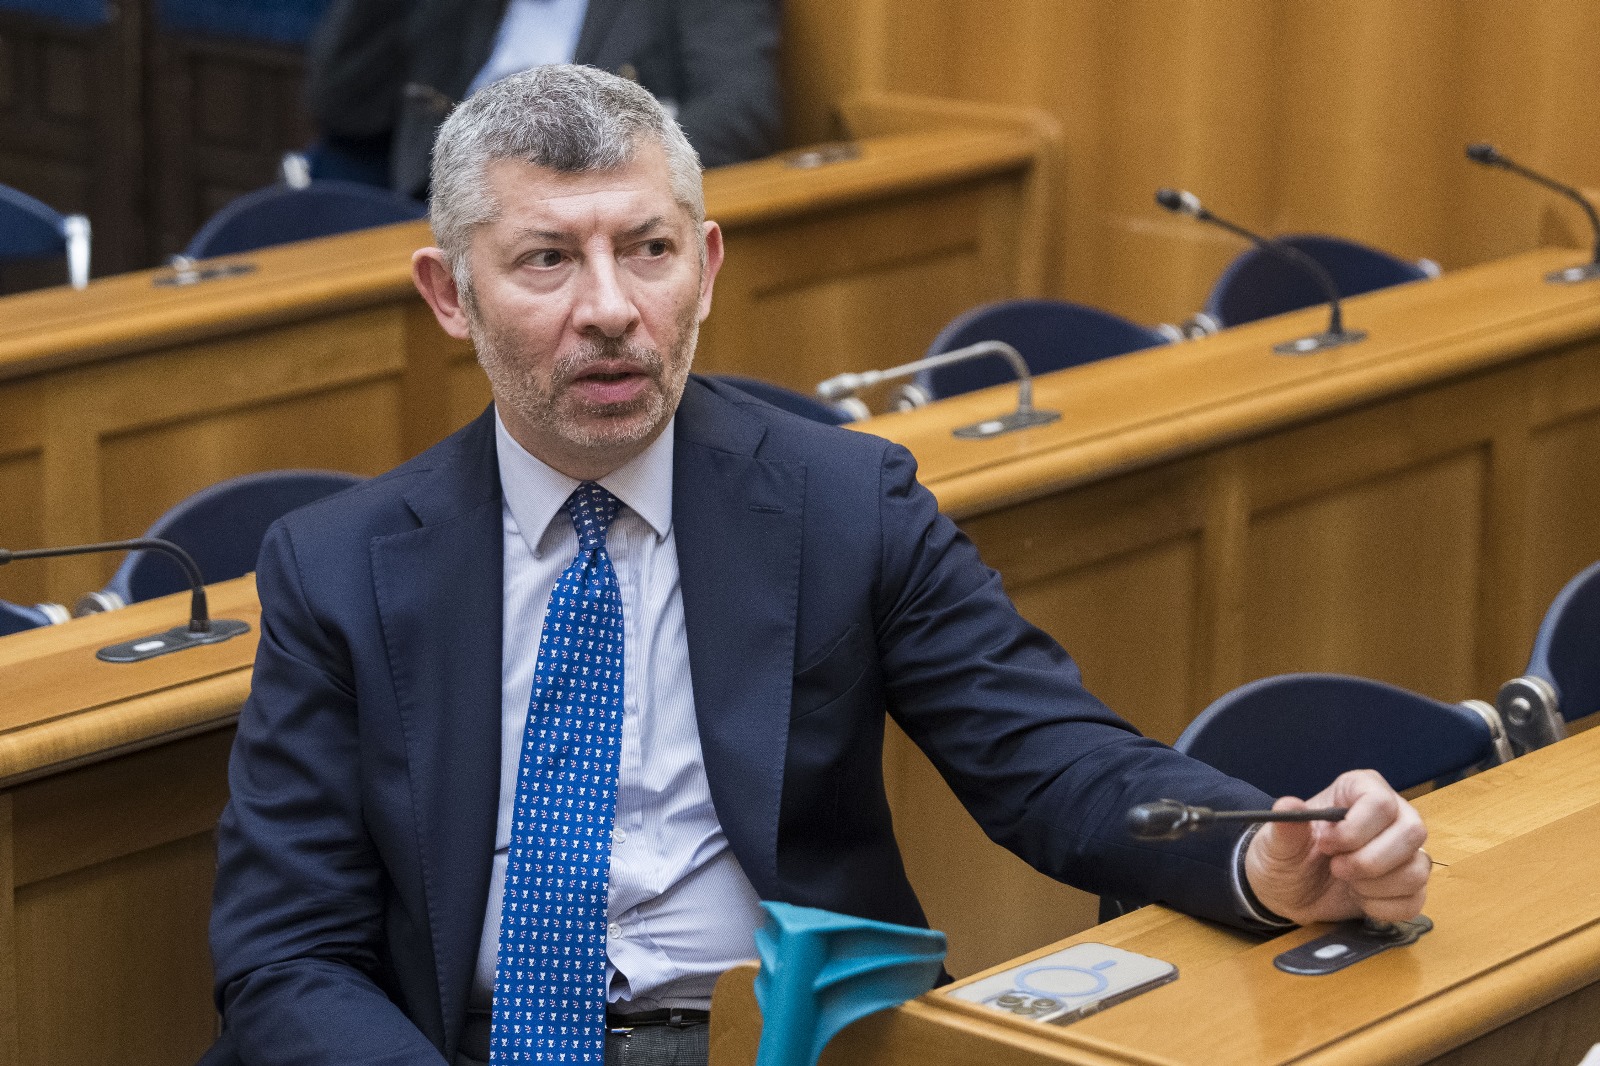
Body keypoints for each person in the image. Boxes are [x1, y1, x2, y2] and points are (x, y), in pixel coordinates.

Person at [205, 65, 1430, 1066]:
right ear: (449, 293)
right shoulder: (337, 567)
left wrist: (1256, 854)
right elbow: (286, 954)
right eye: (546, 260)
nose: (611, 307)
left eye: (648, 249)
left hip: (790, 1044)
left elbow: (1052, 759)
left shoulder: (844, 501)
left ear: (706, 267)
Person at [304, 0, 781, 197]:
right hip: (430, 212)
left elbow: (740, 115)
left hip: (582, 222)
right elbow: (343, 105)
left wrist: (562, 183)